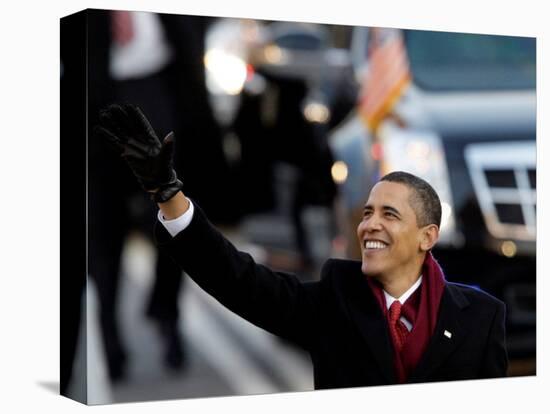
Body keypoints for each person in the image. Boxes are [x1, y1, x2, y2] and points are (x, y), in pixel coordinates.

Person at [96, 103, 508, 388]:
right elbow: (237, 279)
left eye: (390, 214)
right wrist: (168, 193)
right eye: (366, 213)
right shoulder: (335, 297)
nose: (370, 225)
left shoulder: (481, 318)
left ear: (428, 237)